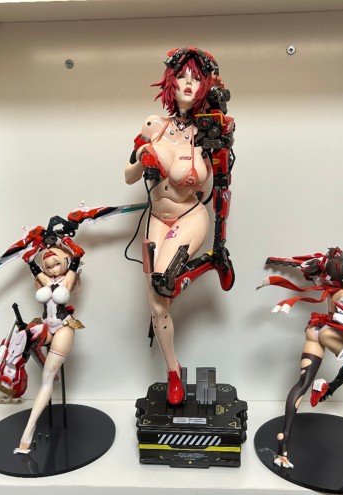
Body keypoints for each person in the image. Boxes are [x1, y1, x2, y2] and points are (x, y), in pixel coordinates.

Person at [125, 47, 235, 405]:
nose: (189, 84)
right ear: (170, 82)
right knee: (158, 305)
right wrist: (143, 158)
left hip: (190, 216)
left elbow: (223, 185)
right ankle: (173, 371)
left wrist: (221, 241)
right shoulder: (153, 126)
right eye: (183, 77)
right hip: (156, 219)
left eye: (196, 79)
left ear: (206, 86)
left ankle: (208, 262)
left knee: (162, 279)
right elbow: (128, 176)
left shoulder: (209, 133)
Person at [258, 247, 343, 469]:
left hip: (314, 331)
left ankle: (284, 443)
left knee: (302, 383)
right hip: (327, 333)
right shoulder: (342, 293)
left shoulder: (327, 284)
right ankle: (330, 385)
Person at [13, 238, 84, 454]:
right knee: (22, 339)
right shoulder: (45, 279)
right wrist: (31, 252)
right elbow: (33, 267)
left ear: (65, 262)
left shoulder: (68, 278)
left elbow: (77, 256)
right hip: (46, 326)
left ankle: (28, 430)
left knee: (46, 380)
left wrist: (67, 242)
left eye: (56, 264)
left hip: (63, 327)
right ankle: (16, 373)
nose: (52, 270)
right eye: (48, 266)